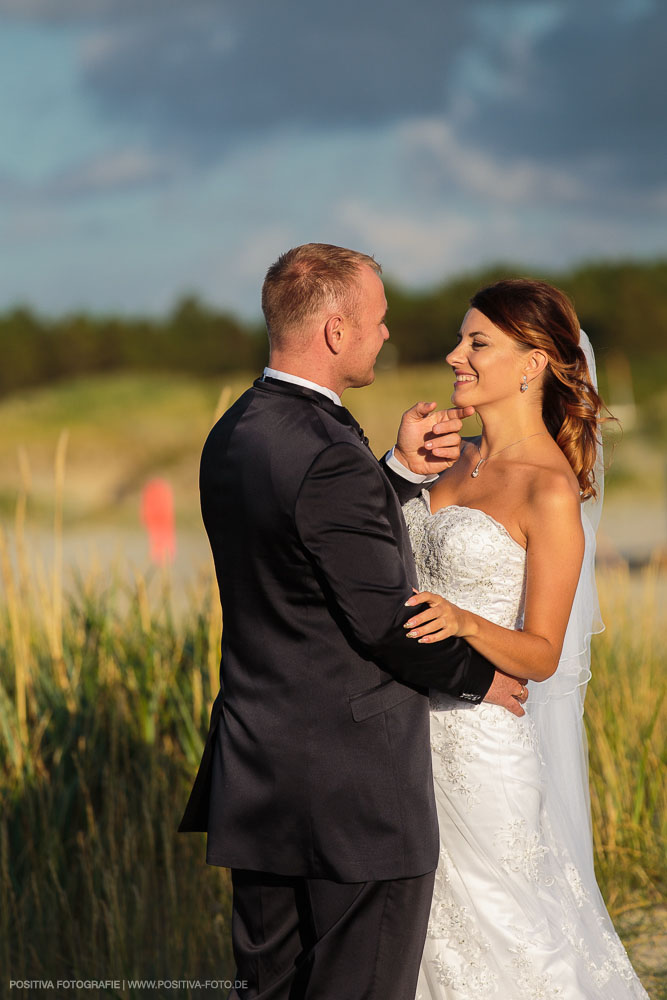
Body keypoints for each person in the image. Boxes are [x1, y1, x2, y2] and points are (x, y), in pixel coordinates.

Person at [178, 245, 527, 1000]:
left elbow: (306, 548)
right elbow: (381, 621)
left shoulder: (237, 432)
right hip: (351, 799)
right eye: (376, 320)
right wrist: (480, 675)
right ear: (335, 331)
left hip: (259, 778)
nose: (385, 335)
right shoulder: (325, 452)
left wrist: (394, 472)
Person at [388, 278, 648, 998]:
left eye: (476, 343)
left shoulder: (549, 489)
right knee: (423, 947)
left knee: (508, 941)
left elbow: (540, 653)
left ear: (533, 363)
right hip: (406, 743)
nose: (454, 355)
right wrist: (401, 468)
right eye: (460, 340)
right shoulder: (445, 454)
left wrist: (467, 621)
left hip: (482, 749)